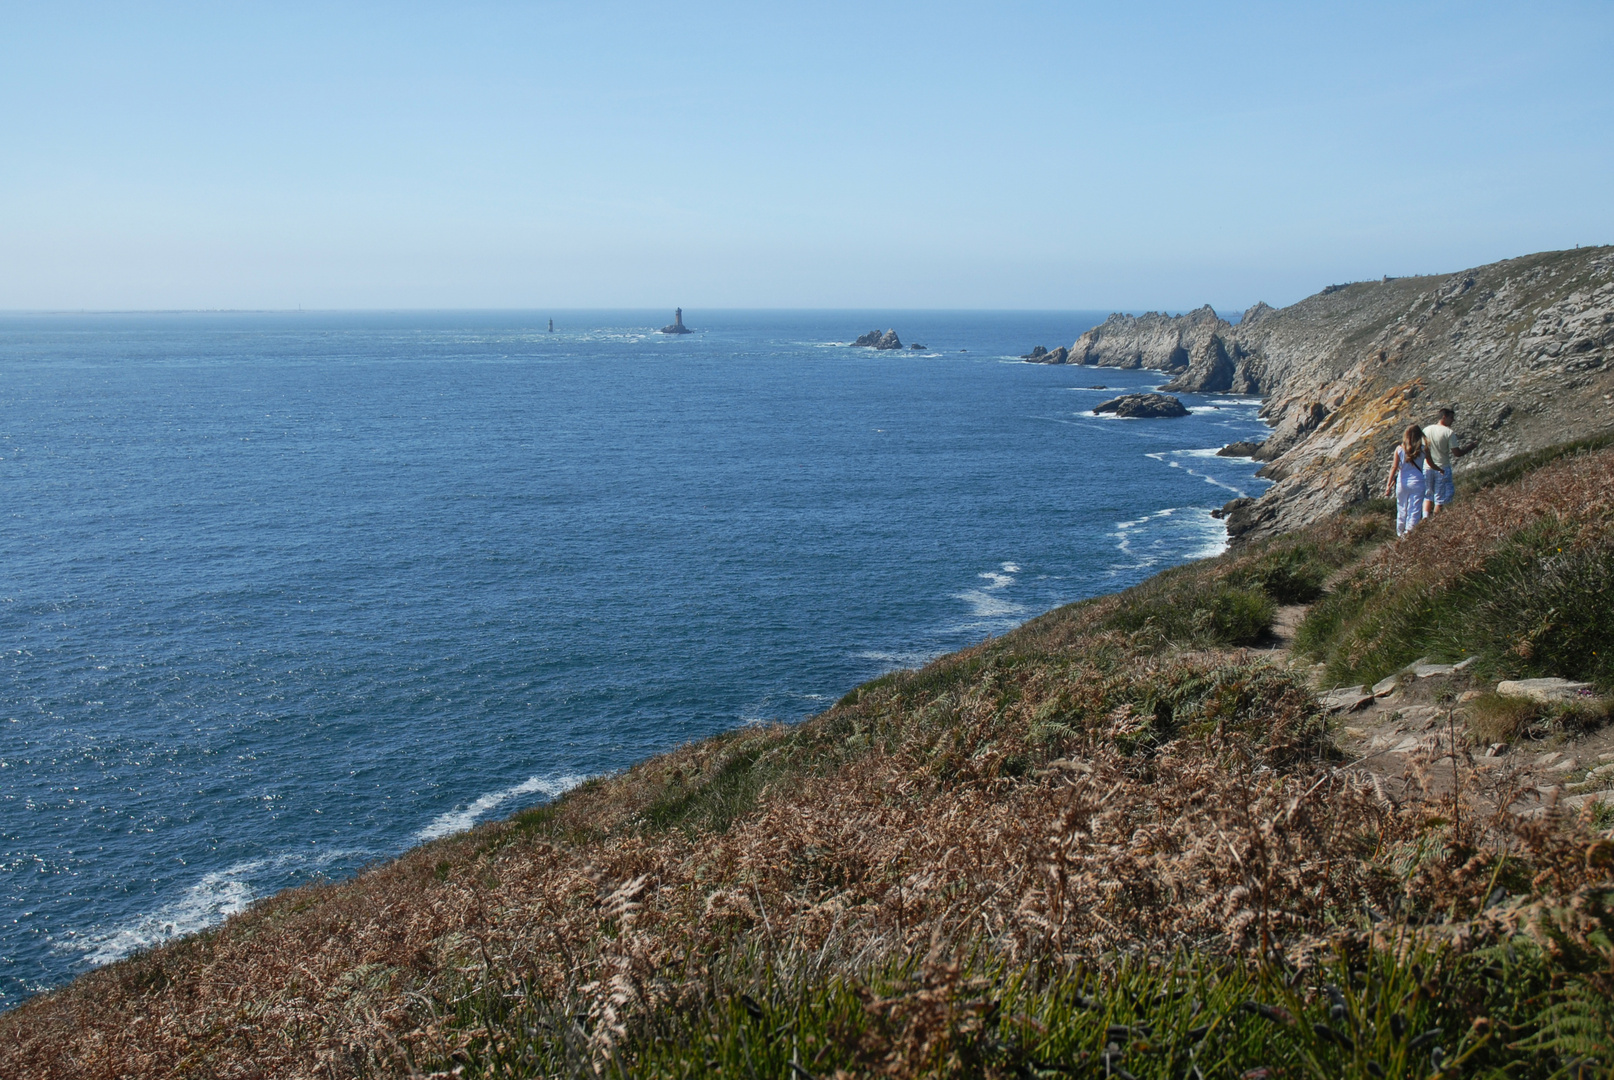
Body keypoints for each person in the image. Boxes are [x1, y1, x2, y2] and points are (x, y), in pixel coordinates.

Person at [1421, 406, 1474, 517]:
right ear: (1444, 417)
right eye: (1451, 417)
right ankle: (1436, 521)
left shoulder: (1426, 430)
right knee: (1441, 498)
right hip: (1442, 468)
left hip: (1427, 467)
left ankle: (1425, 518)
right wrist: (1471, 447)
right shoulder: (1449, 432)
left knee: (1428, 495)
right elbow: (1457, 453)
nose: (1453, 420)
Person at [1384, 424, 1429, 537]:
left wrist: (1388, 485)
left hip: (1402, 483)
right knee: (1414, 509)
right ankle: (1409, 533)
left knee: (1402, 508)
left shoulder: (1399, 449)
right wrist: (1439, 470)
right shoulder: (1424, 449)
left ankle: (1400, 533)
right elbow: (1431, 464)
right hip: (1417, 482)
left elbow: (1394, 467)